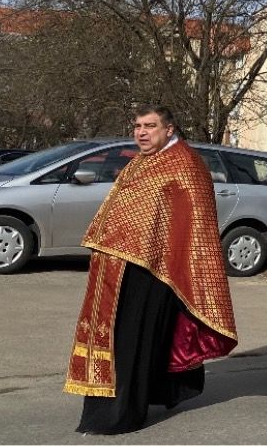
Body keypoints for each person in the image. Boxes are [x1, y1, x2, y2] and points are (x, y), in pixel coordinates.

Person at [65, 106, 237, 435]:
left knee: (132, 341)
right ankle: (114, 406)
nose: (142, 132)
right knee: (117, 338)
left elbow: (194, 225)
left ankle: (123, 413)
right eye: (137, 127)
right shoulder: (142, 161)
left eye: (150, 126)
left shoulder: (186, 165)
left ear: (169, 129)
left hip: (154, 270)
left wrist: (160, 255)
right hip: (120, 264)